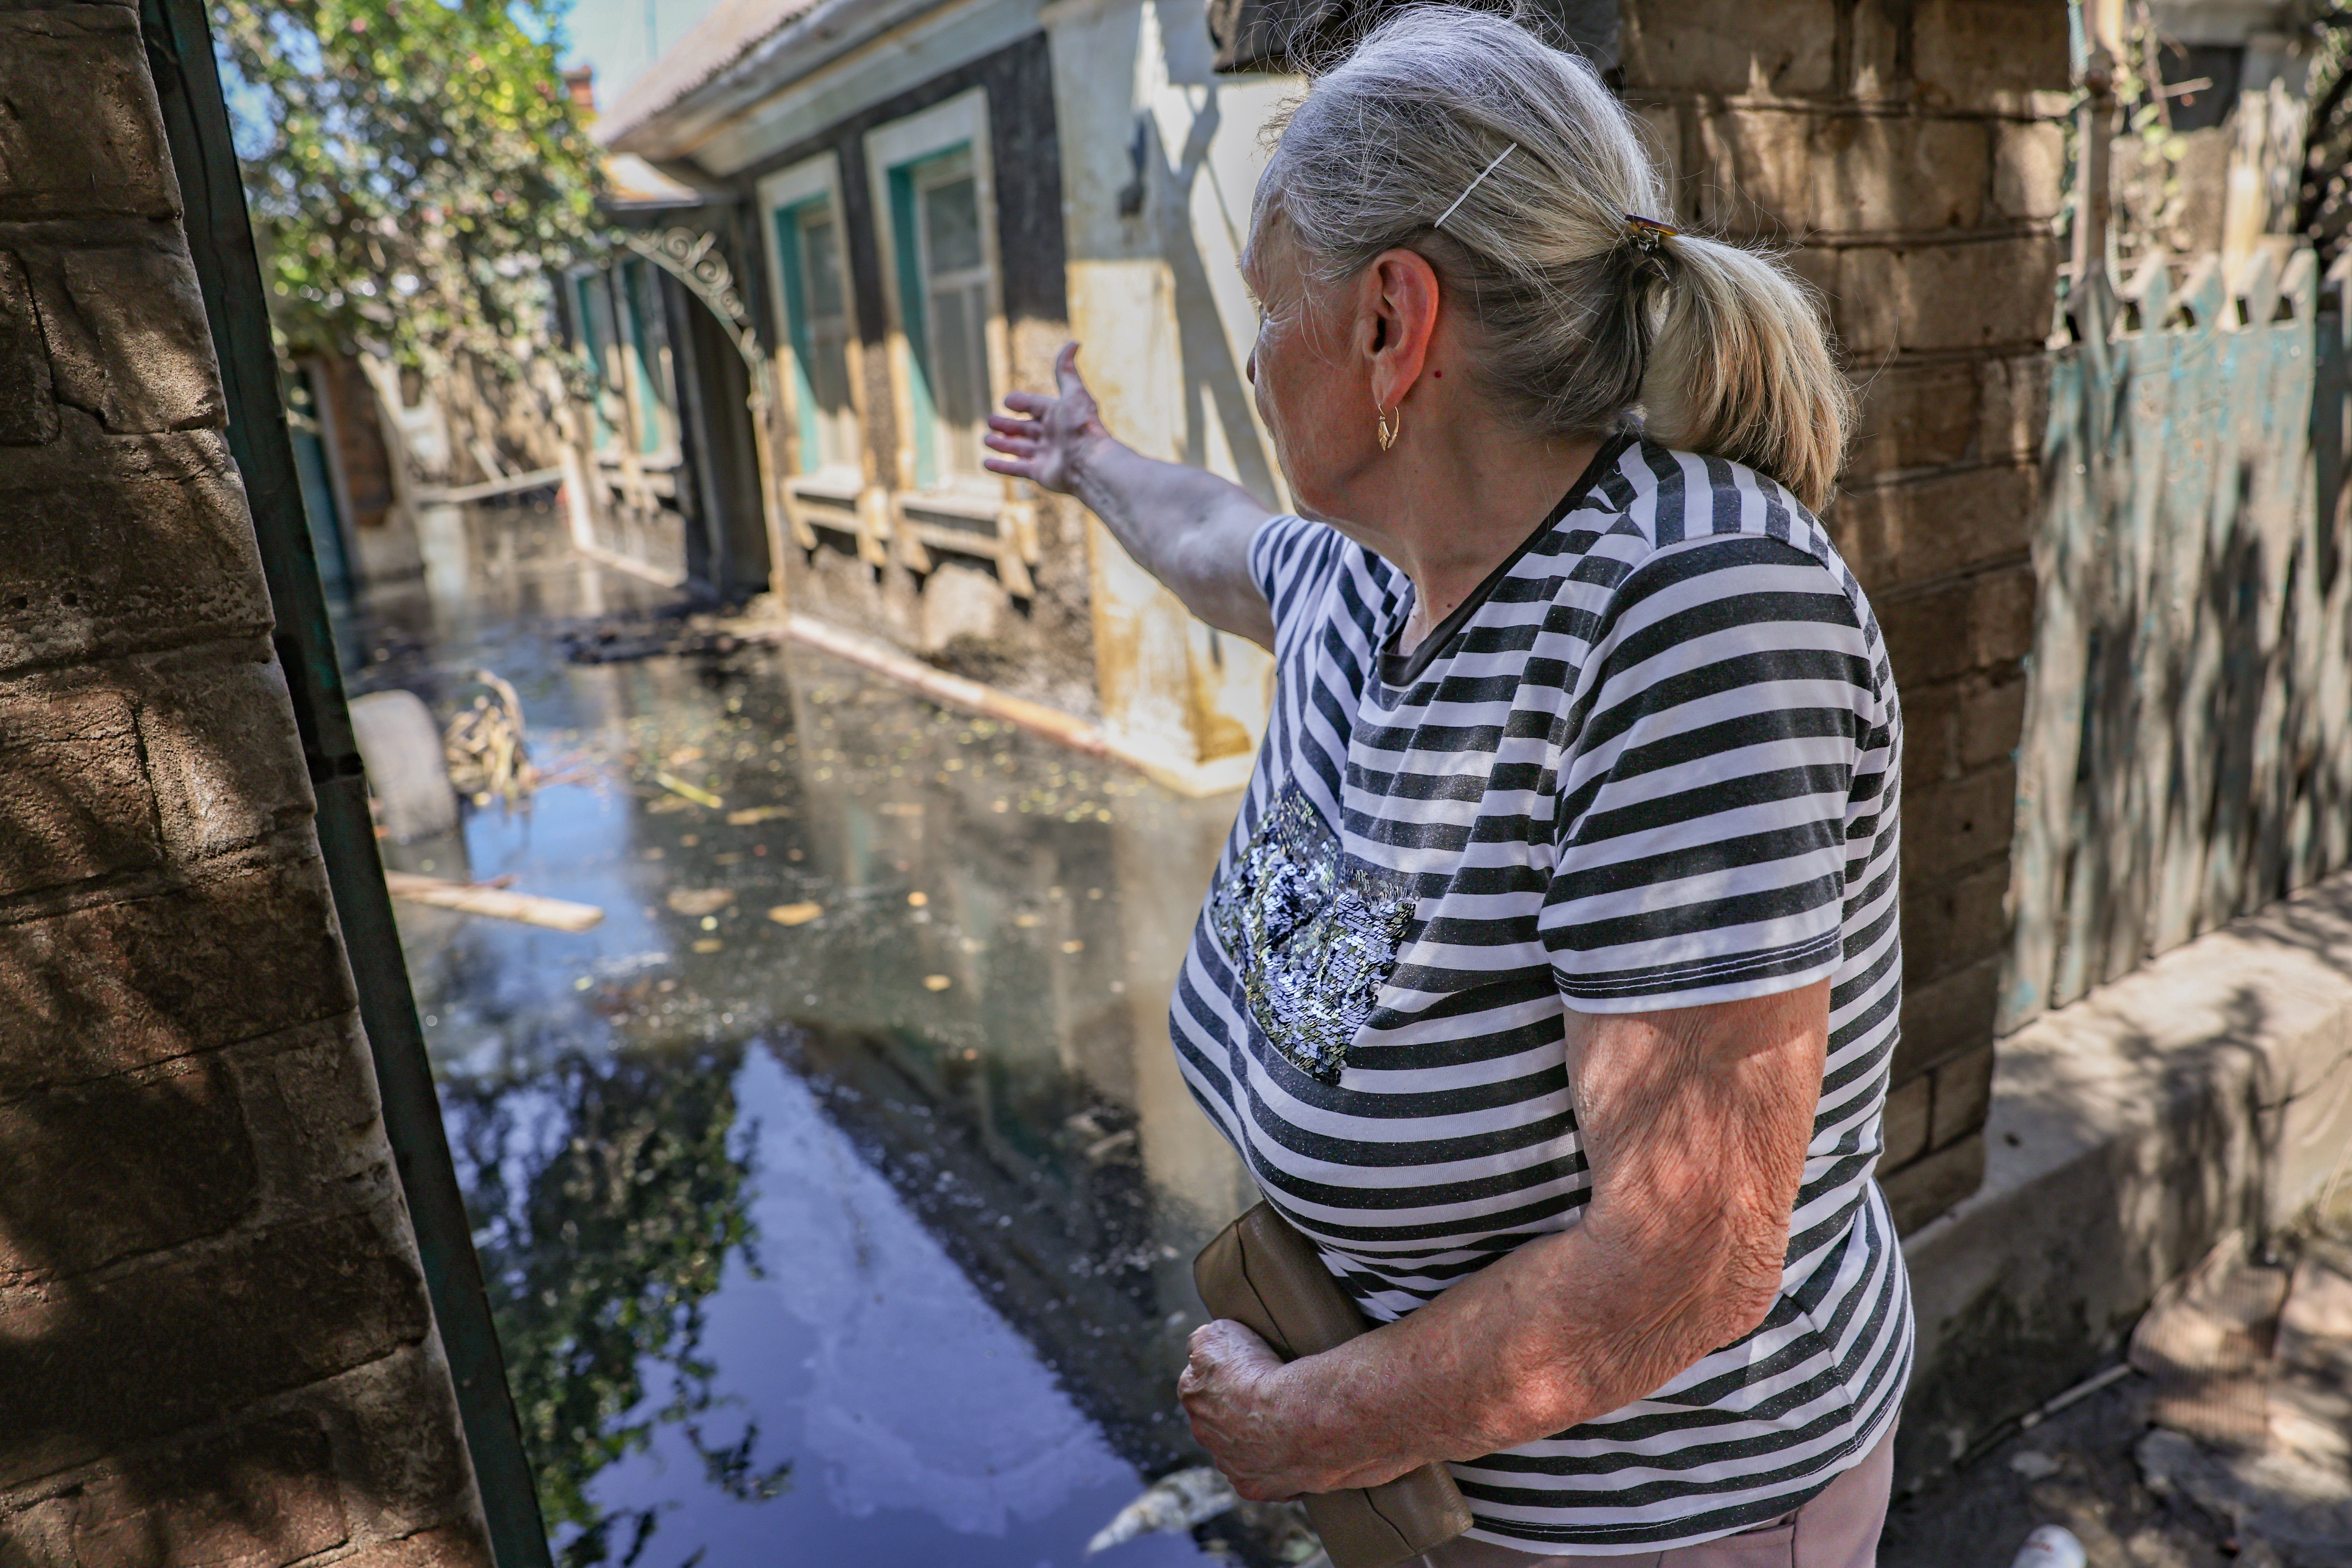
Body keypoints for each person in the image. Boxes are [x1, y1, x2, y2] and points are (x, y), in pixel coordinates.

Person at [984, 9, 1908, 1564]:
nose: (1257, 351)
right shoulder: (1372, 565)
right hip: (1442, 1491)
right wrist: (1084, 457)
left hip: (1671, 1519)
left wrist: (1313, 1425)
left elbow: (1686, 1262)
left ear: (1388, 326)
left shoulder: (1687, 616)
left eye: (1268, 305)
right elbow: (1214, 539)